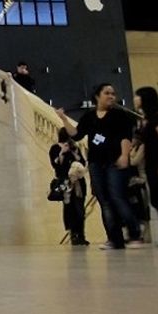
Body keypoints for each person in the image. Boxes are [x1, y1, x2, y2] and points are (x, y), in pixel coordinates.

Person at [56, 83, 143, 250]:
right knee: (105, 202)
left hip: (115, 161)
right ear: (97, 96)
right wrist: (63, 119)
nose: (111, 96)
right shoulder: (89, 116)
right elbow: (77, 134)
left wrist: (124, 156)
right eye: (107, 93)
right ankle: (114, 239)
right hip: (96, 163)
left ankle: (134, 234)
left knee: (117, 197)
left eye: (113, 93)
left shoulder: (120, 115)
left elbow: (126, 137)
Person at [134, 86, 158, 245]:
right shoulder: (145, 120)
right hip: (150, 164)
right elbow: (142, 142)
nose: (135, 99)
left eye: (138, 96)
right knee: (157, 199)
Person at [49, 128, 88, 245]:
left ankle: (81, 234)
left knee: (80, 208)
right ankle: (73, 234)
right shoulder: (55, 148)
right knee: (70, 209)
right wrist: (62, 153)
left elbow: (83, 163)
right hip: (66, 183)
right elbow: (55, 165)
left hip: (78, 183)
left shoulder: (75, 148)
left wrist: (75, 153)